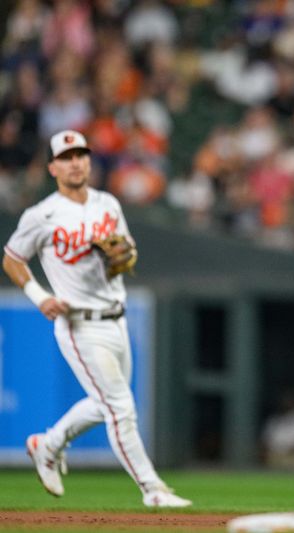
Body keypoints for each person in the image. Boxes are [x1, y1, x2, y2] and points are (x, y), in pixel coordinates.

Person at [2, 130, 191, 508]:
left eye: (81, 155)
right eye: (67, 157)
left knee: (104, 402)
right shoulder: (42, 214)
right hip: (79, 324)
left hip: (116, 319)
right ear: (53, 167)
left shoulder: (108, 204)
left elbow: (127, 250)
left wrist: (127, 255)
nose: (75, 162)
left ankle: (47, 445)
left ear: (89, 161)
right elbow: (11, 258)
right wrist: (40, 297)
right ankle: (153, 489)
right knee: (120, 407)